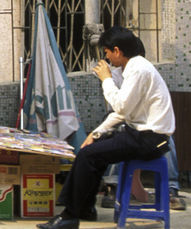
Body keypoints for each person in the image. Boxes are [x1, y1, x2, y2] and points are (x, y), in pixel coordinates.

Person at [39, 26, 174, 229]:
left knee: (88, 155)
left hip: (149, 139)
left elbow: (120, 107)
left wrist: (106, 79)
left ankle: (70, 215)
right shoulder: (136, 67)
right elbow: (121, 113)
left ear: (117, 51)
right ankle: (85, 207)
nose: (108, 58)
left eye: (108, 53)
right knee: (93, 150)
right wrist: (96, 134)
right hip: (140, 133)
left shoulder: (138, 69)